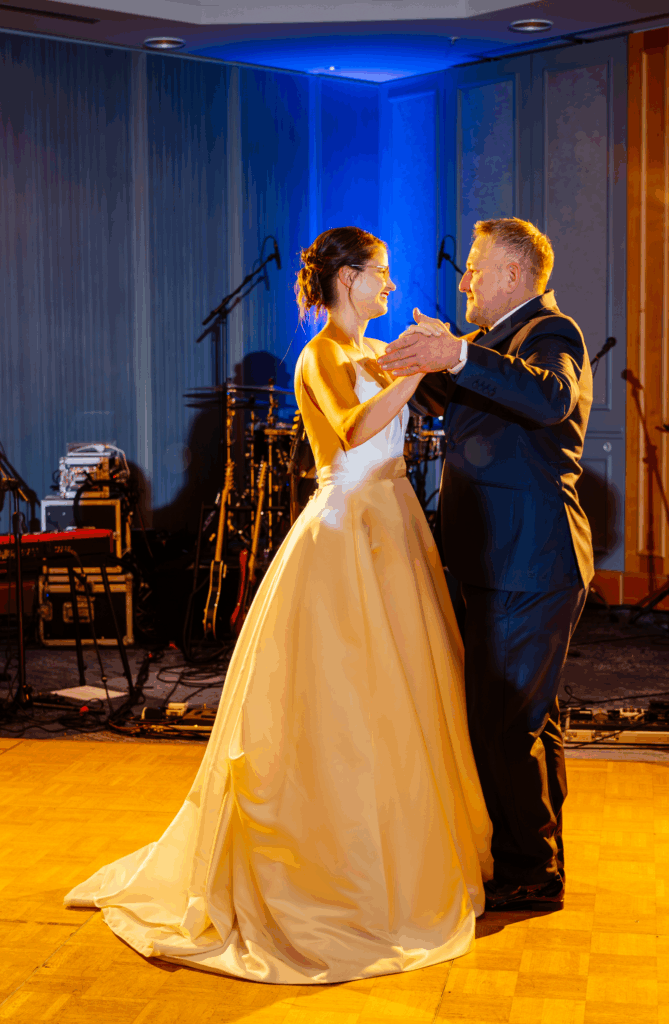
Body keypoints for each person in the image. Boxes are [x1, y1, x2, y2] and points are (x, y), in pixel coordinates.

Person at [64, 226, 492, 985]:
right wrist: (414, 374)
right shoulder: (322, 353)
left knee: (404, 697)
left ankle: (401, 851)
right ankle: (327, 870)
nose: (391, 286)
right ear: (350, 277)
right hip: (345, 532)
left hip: (391, 527)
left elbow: (399, 424)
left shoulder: (369, 349)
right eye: (382, 274)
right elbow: (351, 430)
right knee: (340, 700)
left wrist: (419, 362)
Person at [379, 217, 593, 912]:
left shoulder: (550, 335)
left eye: (473, 268)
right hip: (494, 561)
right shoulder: (490, 347)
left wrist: (457, 356)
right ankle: (534, 856)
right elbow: (457, 394)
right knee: (525, 722)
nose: (463, 280)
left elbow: (547, 398)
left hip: (530, 561)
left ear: (510, 276)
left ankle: (529, 871)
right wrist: (413, 355)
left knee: (504, 722)